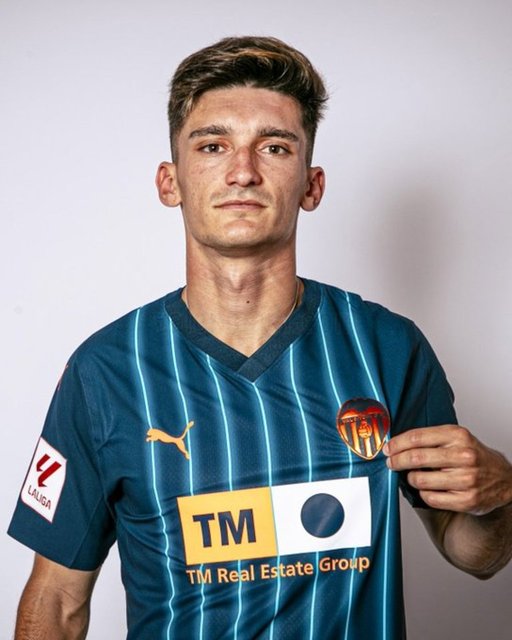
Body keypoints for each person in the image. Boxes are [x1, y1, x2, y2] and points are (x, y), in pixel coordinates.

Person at [8, 36, 512, 640]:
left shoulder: (387, 347)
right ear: (170, 182)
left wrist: (500, 495)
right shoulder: (105, 371)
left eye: (274, 147)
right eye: (212, 146)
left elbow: (474, 553)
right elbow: (57, 601)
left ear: (311, 185)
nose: (243, 171)